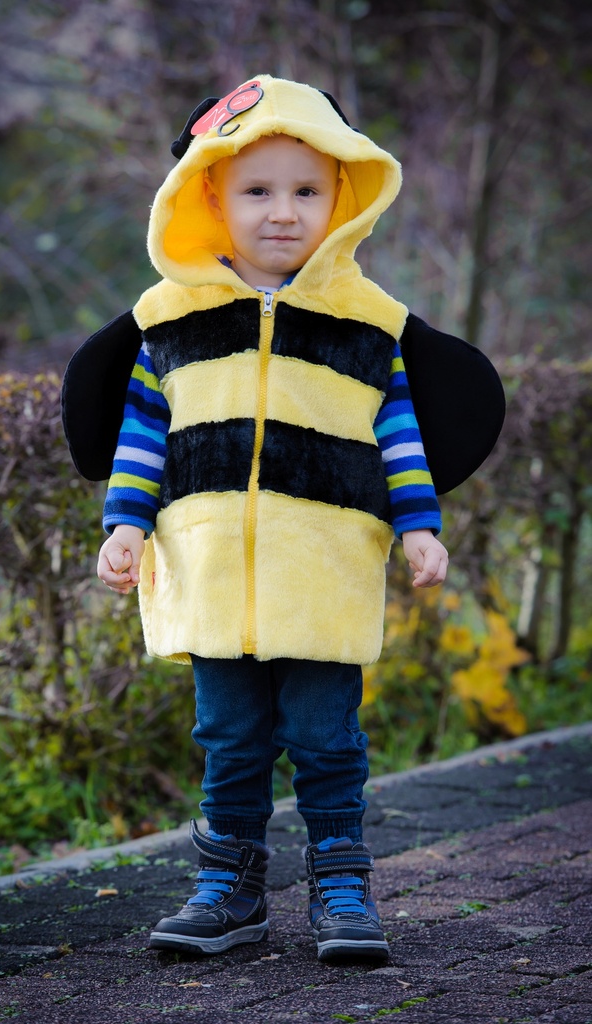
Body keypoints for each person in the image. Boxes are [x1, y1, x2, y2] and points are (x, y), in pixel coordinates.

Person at [84, 75, 456, 962]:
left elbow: (399, 433)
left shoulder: (365, 325)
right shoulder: (172, 322)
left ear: (343, 198)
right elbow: (143, 434)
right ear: (209, 193)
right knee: (229, 738)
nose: (283, 212)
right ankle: (231, 888)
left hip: (322, 572)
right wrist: (126, 523)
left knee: (328, 738)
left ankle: (341, 886)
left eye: (306, 191)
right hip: (211, 574)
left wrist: (420, 524)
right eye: (258, 189)